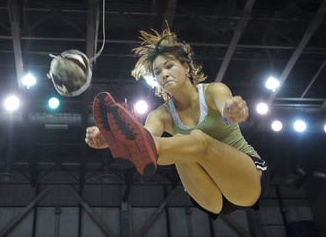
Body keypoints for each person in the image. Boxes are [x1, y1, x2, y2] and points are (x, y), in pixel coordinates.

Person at [85, 25, 268, 218]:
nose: (163, 74)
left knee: (198, 140)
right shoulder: (160, 115)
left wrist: (231, 111)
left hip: (245, 182)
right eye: (157, 72)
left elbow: (226, 105)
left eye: (169, 66)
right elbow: (144, 139)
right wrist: (112, 138)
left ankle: (131, 144)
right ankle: (125, 144)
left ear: (186, 67)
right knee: (165, 149)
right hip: (211, 200)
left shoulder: (213, 91)